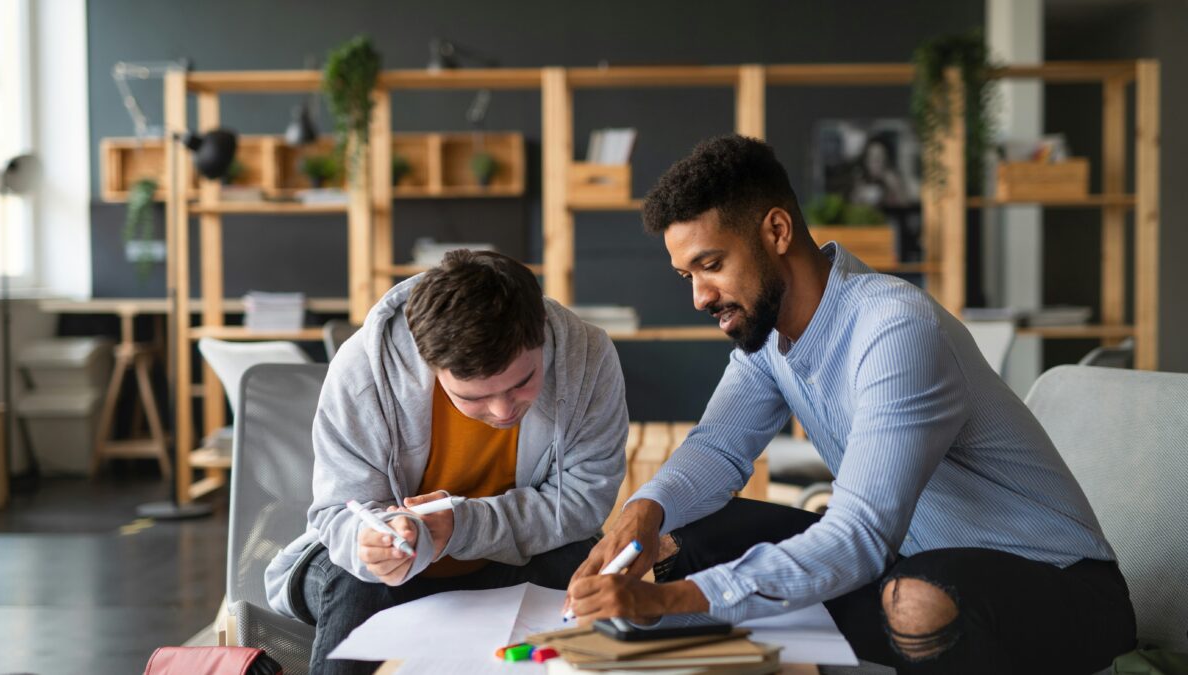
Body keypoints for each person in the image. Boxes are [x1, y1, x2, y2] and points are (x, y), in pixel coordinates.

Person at [565, 135, 1135, 673]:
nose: (699, 296)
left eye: (712, 265)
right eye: (687, 274)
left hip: (1059, 587)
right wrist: (645, 510)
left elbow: (860, 533)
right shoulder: (767, 338)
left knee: (915, 601)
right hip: (907, 560)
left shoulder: (895, 327)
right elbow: (716, 448)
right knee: (680, 536)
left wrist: (672, 599)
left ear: (777, 230)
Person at [266, 250, 628, 675]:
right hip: (379, 574)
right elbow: (338, 512)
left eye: (523, 382)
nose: (502, 411)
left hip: (511, 559)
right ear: (430, 363)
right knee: (360, 585)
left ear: (542, 337)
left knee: (578, 568)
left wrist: (461, 526)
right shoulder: (363, 369)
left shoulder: (586, 356)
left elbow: (584, 501)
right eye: (472, 398)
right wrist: (371, 544)